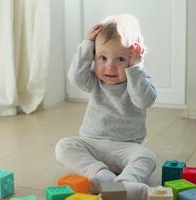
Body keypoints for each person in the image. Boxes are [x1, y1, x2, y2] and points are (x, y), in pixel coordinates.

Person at [55, 14, 157, 200]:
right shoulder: (94, 81)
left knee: (147, 157)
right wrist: (87, 44)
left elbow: (144, 101)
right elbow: (75, 77)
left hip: (126, 148)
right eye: (102, 58)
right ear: (93, 56)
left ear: (132, 58)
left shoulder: (138, 80)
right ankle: (100, 174)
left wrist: (136, 69)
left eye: (119, 59)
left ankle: (125, 183)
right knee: (64, 146)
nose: (109, 67)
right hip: (92, 143)